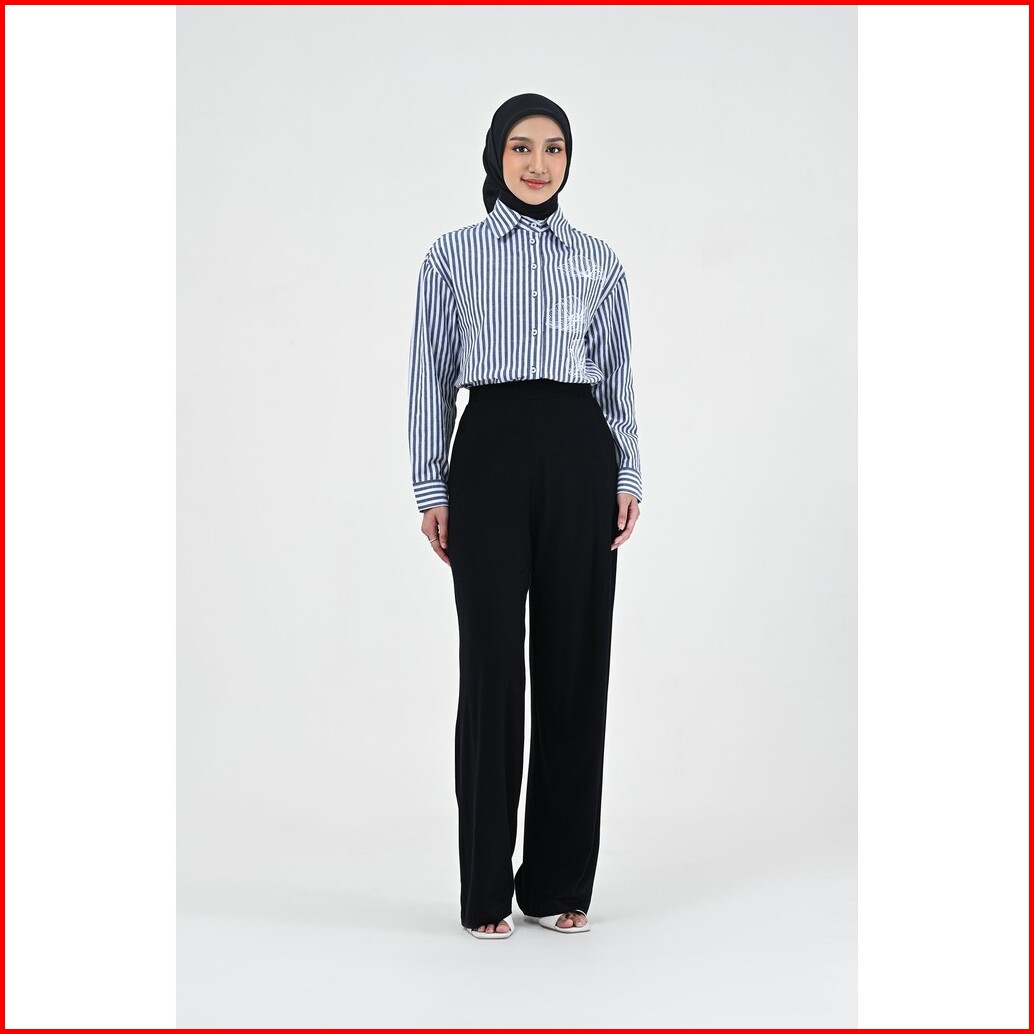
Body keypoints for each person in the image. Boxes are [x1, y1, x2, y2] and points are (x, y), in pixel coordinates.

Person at [407, 93, 643, 939]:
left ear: (569, 159)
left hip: (582, 456)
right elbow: (431, 375)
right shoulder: (452, 256)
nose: (537, 164)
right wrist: (431, 488)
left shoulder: (599, 262)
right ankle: (483, 891)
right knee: (492, 671)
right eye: (520, 147)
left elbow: (617, 379)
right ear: (495, 156)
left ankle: (556, 882)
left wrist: (628, 472)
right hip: (490, 457)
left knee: (575, 666)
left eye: (553, 148)